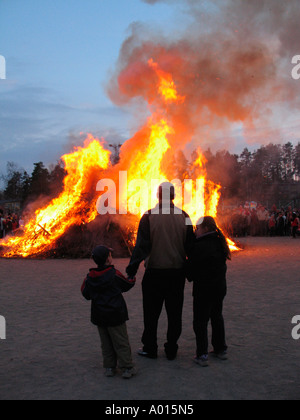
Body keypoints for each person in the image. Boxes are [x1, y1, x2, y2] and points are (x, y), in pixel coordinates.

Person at [126, 182, 194, 360]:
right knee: (174, 314)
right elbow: (191, 247)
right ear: (173, 196)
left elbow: (141, 246)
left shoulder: (148, 216)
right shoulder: (184, 216)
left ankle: (150, 347)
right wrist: (191, 272)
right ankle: (172, 349)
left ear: (158, 196)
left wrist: (131, 269)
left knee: (151, 313)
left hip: (154, 273)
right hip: (176, 274)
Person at [81, 245, 137, 379]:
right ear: (108, 259)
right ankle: (127, 367)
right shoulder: (114, 274)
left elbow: (85, 293)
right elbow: (126, 284)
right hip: (115, 314)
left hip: (99, 315)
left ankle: (109, 367)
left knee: (105, 343)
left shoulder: (90, 277)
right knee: (121, 341)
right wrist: (132, 277)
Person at [186, 216, 230, 367]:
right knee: (217, 317)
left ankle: (202, 354)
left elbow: (190, 272)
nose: (196, 231)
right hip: (219, 287)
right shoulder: (220, 242)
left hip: (203, 289)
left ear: (205, 229)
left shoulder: (200, 246)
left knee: (200, 321)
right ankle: (220, 349)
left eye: (197, 229)